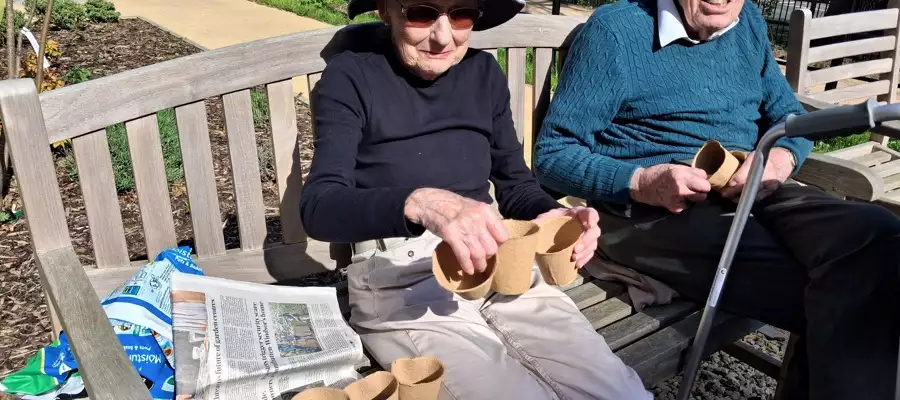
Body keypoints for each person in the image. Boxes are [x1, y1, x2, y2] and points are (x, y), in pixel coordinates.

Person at [532, 0, 900, 398]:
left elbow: (787, 115)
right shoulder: (617, 31)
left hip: (750, 185)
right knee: (857, 293)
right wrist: (641, 180)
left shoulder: (748, 23)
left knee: (878, 234)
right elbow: (552, 156)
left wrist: (778, 158)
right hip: (648, 211)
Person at [299, 0, 653, 398]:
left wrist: (555, 216)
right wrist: (422, 203)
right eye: (421, 12)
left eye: (461, 13)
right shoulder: (351, 76)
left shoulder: (482, 73)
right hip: (405, 277)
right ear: (385, 10)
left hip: (501, 259)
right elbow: (320, 206)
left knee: (620, 391)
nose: (443, 35)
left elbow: (515, 184)